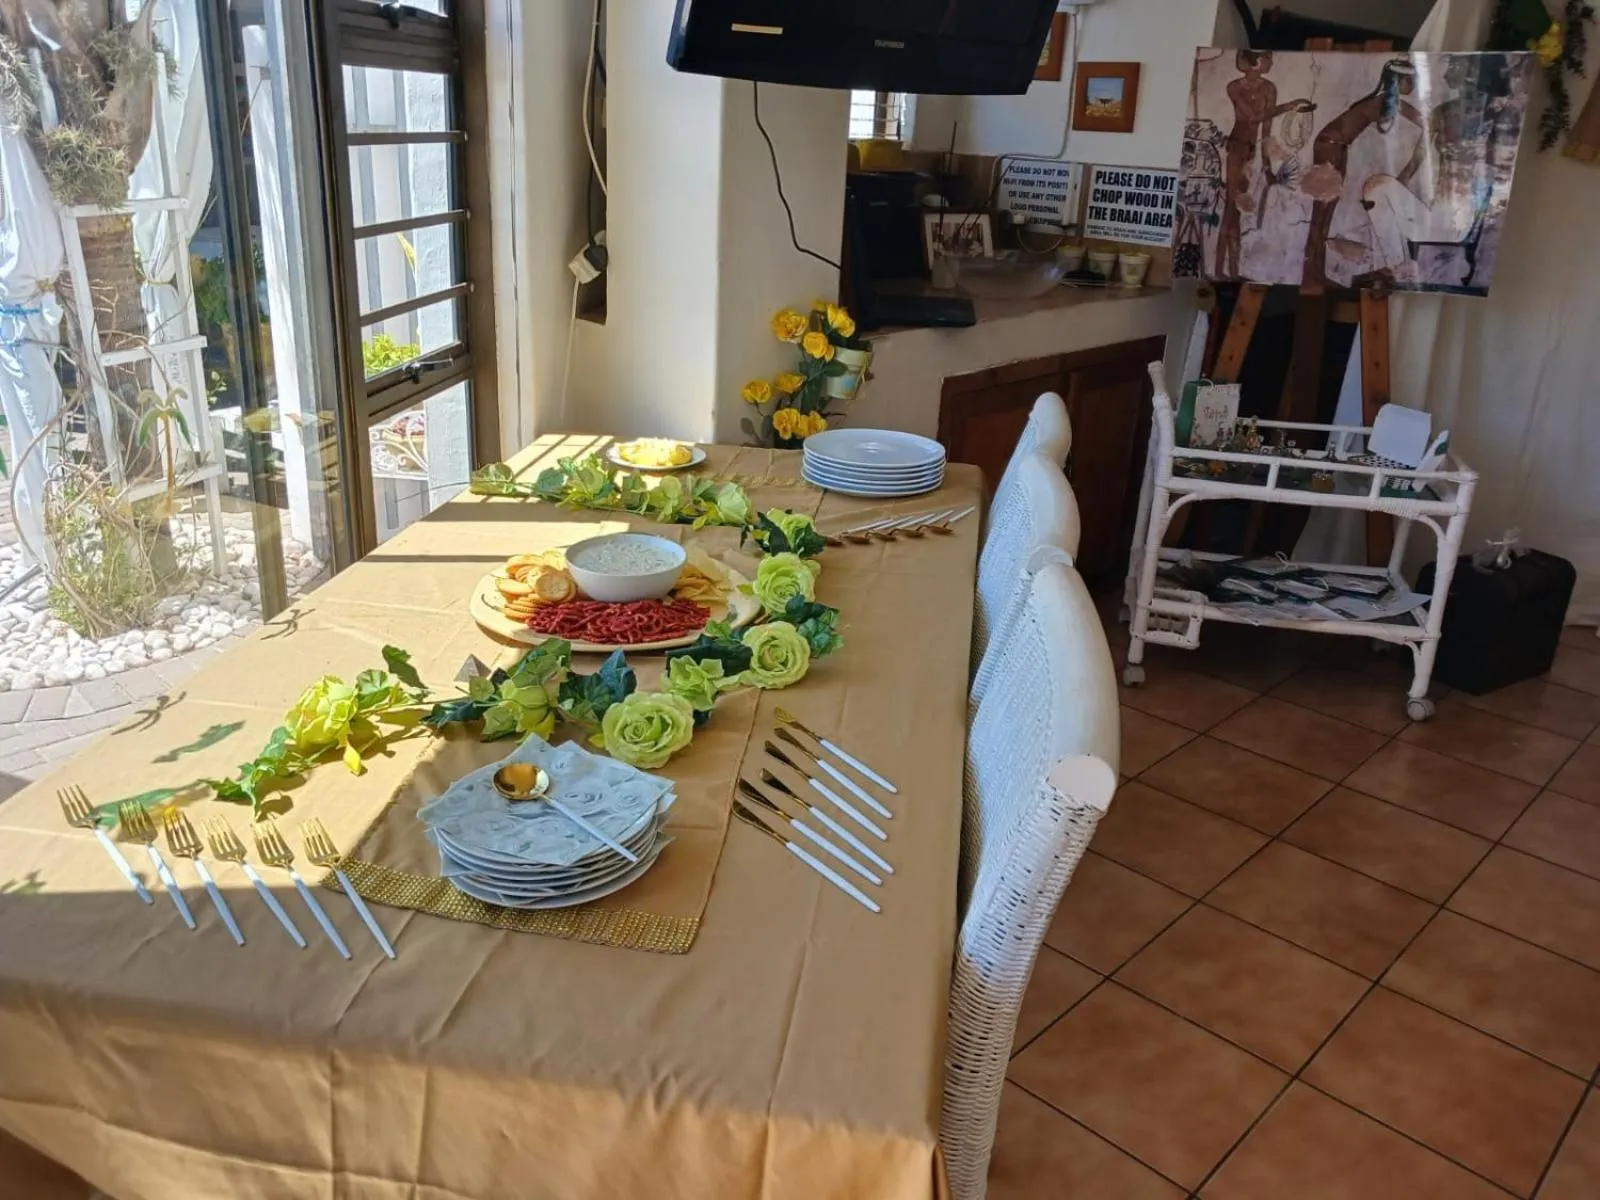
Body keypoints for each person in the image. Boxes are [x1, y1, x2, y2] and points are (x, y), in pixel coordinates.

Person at [1301, 58, 1424, 287]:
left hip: (1335, 145)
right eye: (1411, 80)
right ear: (1399, 81)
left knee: (1326, 212)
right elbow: (1422, 120)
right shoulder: (1385, 101)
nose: (1414, 85)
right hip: (1331, 146)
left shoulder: (1386, 100)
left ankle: (1315, 270)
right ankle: (1312, 271)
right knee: (1323, 211)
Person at [1217, 51, 1314, 278]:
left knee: (1239, 209)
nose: (1272, 62)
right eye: (1268, 58)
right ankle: (1221, 269)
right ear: (1258, 61)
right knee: (1231, 208)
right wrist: (1291, 105)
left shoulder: (1269, 88)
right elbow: (1253, 117)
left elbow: (1266, 128)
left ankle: (1232, 271)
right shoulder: (1234, 86)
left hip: (1250, 151)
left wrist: (1268, 165)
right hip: (1237, 147)